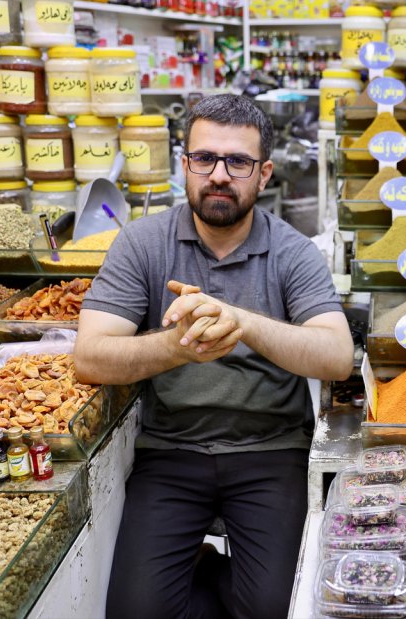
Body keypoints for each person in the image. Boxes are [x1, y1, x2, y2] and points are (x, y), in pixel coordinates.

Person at [75, 94, 353, 619]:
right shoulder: (142, 243)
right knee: (136, 613)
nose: (219, 175)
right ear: (185, 165)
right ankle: (200, 569)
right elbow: (90, 357)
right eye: (204, 159)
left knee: (274, 609)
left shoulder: (292, 251)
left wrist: (240, 321)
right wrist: (177, 347)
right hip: (172, 451)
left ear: (264, 173)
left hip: (270, 451)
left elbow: (336, 356)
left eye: (238, 162)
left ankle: (205, 570)